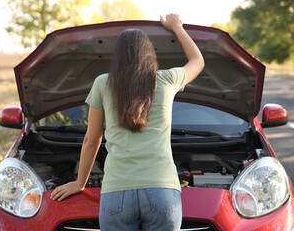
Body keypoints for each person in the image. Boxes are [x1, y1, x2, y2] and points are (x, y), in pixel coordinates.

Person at [50, 13, 204, 231]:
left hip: (117, 192)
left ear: (118, 56)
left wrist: (79, 183)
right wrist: (177, 27)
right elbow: (198, 61)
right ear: (150, 53)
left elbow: (91, 139)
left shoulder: (103, 83)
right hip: (162, 190)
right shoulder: (167, 79)